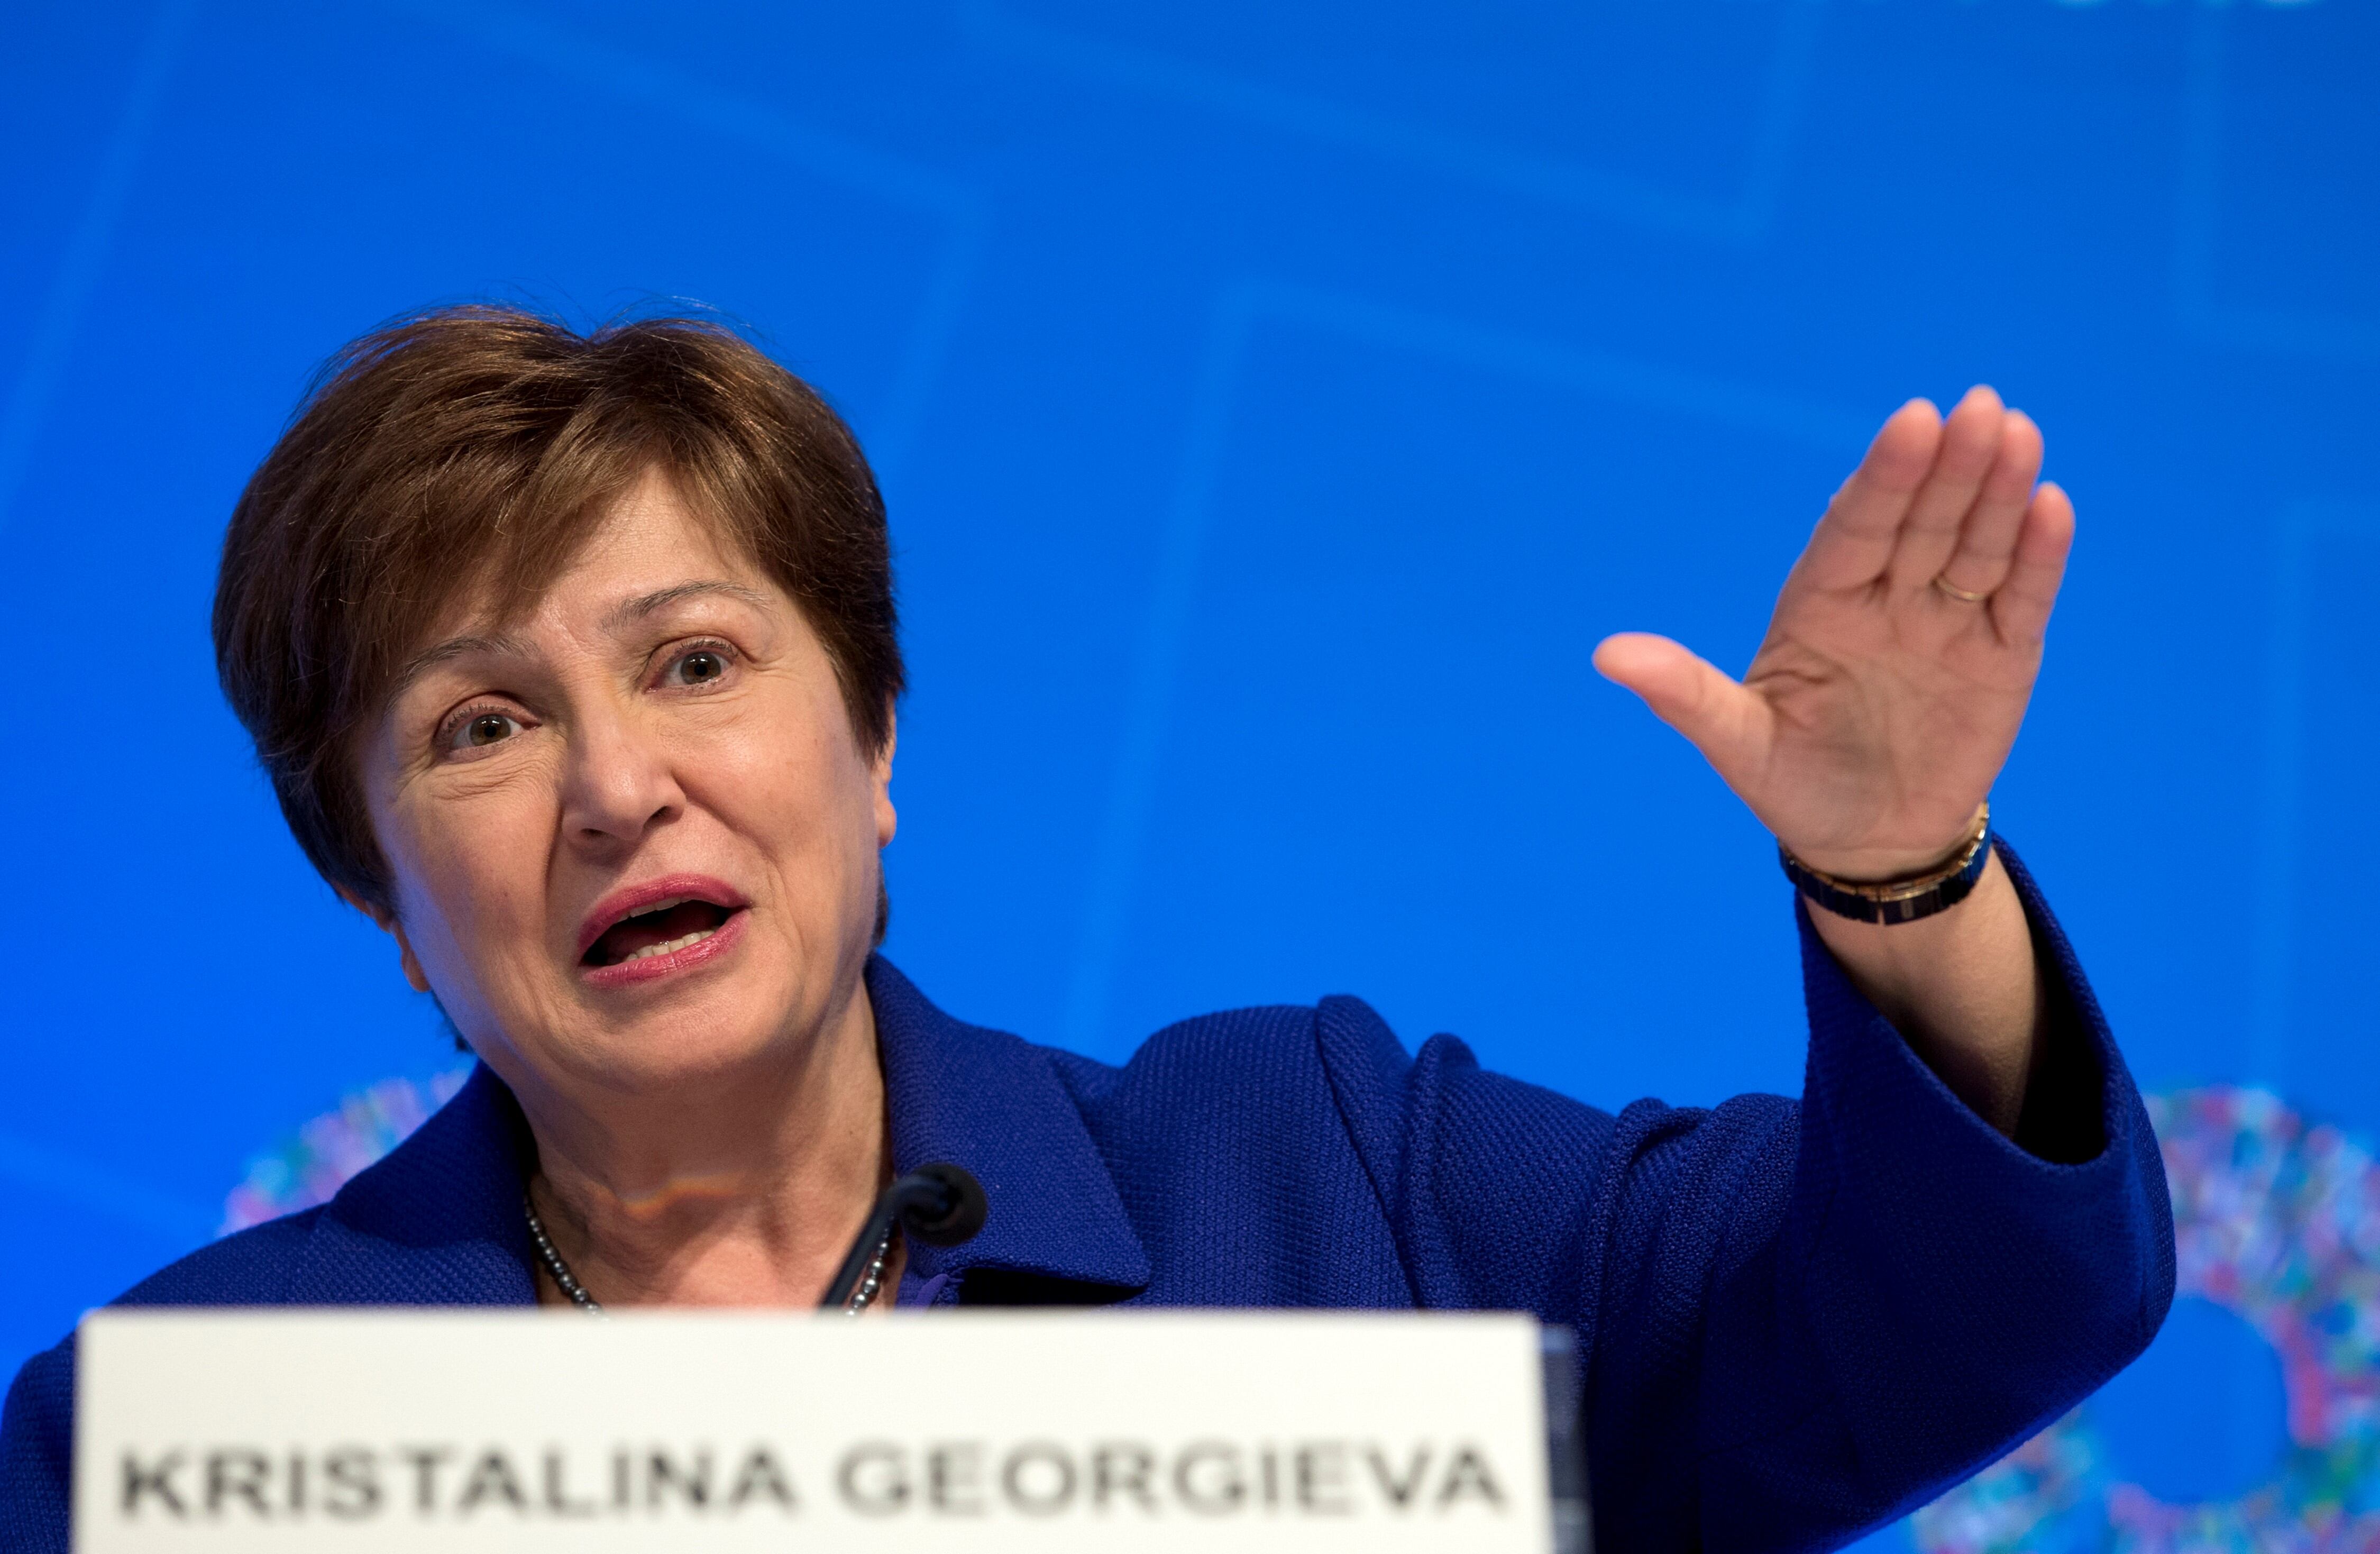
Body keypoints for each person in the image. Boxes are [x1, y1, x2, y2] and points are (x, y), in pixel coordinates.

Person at [0, 306, 2171, 1552]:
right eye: (483, 724)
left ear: (872, 753)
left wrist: (1899, 871)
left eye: (692, 664)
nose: (613, 788)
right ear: (379, 892)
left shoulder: (1326, 1182)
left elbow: (1943, 1322)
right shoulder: (170, 1438)